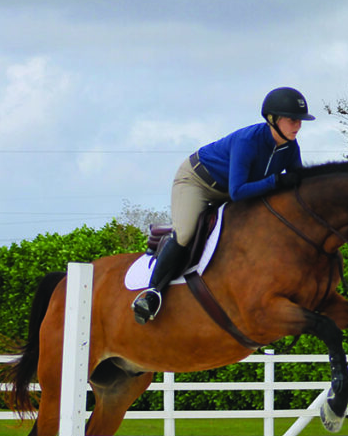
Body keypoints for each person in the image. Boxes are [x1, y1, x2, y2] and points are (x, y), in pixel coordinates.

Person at [131, 86, 316, 324]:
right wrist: (276, 181)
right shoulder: (248, 141)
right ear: (273, 119)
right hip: (198, 181)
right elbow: (238, 192)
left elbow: (296, 187)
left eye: (300, 121)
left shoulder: (291, 148)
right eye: (293, 120)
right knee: (186, 233)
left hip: (231, 190)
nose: (298, 126)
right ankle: (152, 293)